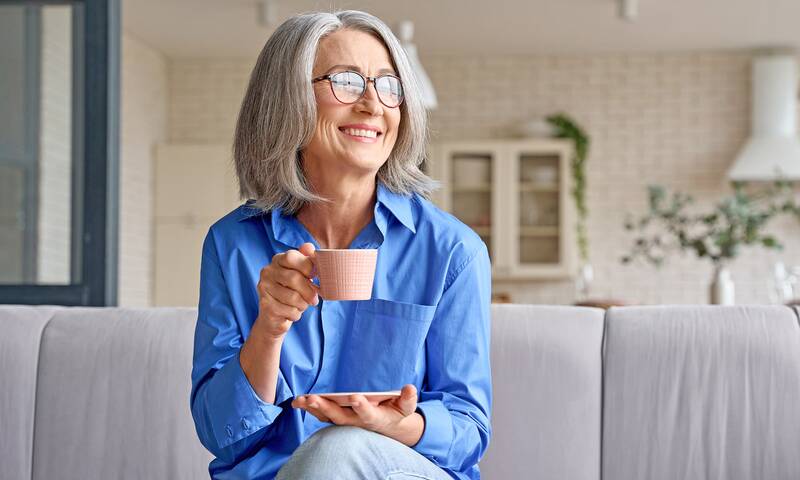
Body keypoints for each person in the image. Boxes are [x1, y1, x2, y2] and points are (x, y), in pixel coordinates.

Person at [190, 10, 491, 480]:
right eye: (347, 81)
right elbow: (219, 430)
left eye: (389, 86)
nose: (374, 105)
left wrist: (399, 425)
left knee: (338, 450)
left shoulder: (452, 251)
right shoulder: (233, 244)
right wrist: (268, 331)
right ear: (286, 100)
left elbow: (469, 429)